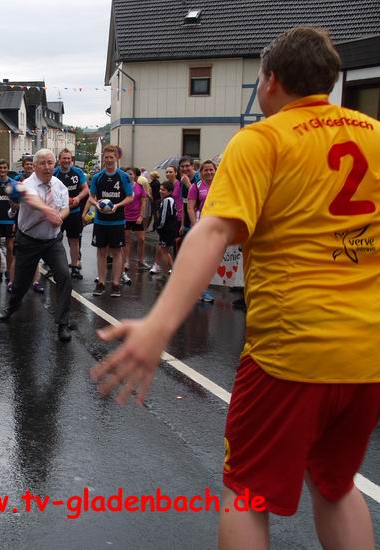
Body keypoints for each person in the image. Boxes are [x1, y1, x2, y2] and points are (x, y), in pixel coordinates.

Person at [92, 27, 380, 550]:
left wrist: (159, 324)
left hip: (290, 352)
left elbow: (213, 230)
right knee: (337, 487)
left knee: (246, 494)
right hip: (368, 355)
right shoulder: (375, 135)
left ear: (270, 80)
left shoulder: (264, 139)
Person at [0, 149, 73, 343]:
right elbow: (31, 199)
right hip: (29, 240)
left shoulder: (59, 185)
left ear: (54, 165)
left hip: (52, 240)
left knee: (64, 275)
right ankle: (11, 307)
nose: (47, 167)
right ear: (35, 166)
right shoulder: (26, 185)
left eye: (50, 163)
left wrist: (60, 216)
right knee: (21, 283)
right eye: (42, 163)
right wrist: (48, 211)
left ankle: (63, 323)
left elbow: (65, 207)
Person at [87, 145, 133, 297]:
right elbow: (91, 197)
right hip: (100, 221)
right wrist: (96, 205)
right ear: (103, 157)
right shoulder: (97, 177)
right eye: (106, 157)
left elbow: (130, 197)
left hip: (117, 221)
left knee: (117, 253)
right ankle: (100, 283)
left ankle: (115, 284)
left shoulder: (123, 177)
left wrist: (117, 206)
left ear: (116, 158)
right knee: (101, 252)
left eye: (111, 157)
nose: (108, 160)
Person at [53, 148, 89, 280]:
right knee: (55, 241)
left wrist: (78, 198)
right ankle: (54, 267)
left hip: (74, 212)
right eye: (64, 158)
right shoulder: (54, 173)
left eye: (69, 158)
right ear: (59, 159)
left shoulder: (77, 172)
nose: (67, 160)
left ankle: (75, 266)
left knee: (74, 240)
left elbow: (86, 189)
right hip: (59, 213)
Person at [187, 159, 216, 303]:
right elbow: (190, 208)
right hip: (202, 225)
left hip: (217, 226)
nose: (209, 172)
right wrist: (195, 225)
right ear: (201, 172)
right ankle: (200, 290)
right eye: (206, 170)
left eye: (211, 169)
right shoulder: (196, 186)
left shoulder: (221, 185)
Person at [17, 154, 44, 293]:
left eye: (30, 164)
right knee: (20, 256)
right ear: (23, 166)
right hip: (22, 222)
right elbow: (15, 200)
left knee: (36, 256)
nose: (28, 166)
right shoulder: (19, 180)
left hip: (37, 223)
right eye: (26, 164)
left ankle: (35, 282)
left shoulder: (41, 180)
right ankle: (16, 283)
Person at [123, 169, 150, 278]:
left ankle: (141, 260)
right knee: (127, 240)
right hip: (125, 217)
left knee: (141, 239)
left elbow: (143, 202)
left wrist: (141, 216)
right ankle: (126, 261)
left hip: (137, 216)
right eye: (127, 174)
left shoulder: (139, 186)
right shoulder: (122, 186)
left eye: (131, 174)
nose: (129, 175)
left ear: (134, 175)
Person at [150, 180, 178, 276]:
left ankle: (167, 271)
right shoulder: (169, 200)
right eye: (160, 189)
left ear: (170, 191)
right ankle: (172, 268)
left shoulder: (167, 200)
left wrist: (158, 227)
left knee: (163, 251)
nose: (161, 191)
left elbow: (164, 217)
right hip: (169, 229)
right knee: (164, 250)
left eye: (163, 190)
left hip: (167, 230)